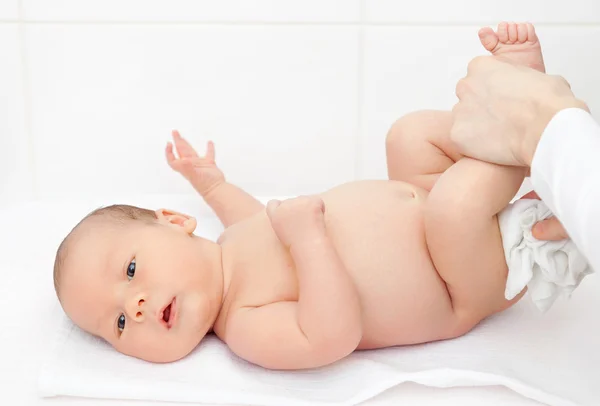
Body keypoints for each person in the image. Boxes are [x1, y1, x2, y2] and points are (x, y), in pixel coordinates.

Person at [52, 22, 543, 370]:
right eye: (117, 323)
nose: (133, 306)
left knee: (408, 136)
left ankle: (512, 110)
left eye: (130, 271)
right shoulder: (244, 325)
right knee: (455, 209)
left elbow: (254, 218)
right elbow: (331, 336)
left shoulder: (234, 242)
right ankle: (534, 125)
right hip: (461, 280)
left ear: (177, 221)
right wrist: (309, 242)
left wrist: (211, 183)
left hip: (422, 194)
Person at [451, 30, 599, 272]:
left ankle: (522, 136)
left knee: (415, 138)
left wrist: (536, 125)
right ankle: (525, 130)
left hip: (452, 273)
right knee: (409, 134)